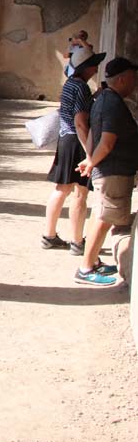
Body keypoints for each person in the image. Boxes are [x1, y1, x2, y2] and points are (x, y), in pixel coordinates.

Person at [75, 57, 138, 285]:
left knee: (101, 215)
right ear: (122, 79)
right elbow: (108, 141)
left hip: (109, 168)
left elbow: (94, 132)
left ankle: (91, 262)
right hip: (113, 170)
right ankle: (85, 269)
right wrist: (92, 162)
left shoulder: (103, 99)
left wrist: (90, 158)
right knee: (105, 218)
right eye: (133, 78)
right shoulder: (112, 103)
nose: (135, 83)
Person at [42, 46, 105, 254]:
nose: (96, 68)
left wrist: (94, 97)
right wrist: (89, 152)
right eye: (94, 64)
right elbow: (80, 121)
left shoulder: (71, 84)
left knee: (61, 189)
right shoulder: (81, 87)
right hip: (77, 141)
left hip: (65, 139)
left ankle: (49, 236)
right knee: (80, 193)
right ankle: (78, 242)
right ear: (86, 67)